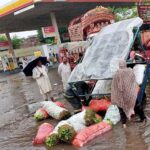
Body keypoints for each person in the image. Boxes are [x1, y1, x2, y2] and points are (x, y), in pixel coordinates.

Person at [111, 60, 146, 128]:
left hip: (121, 95)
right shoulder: (130, 71)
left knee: (121, 109)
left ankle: (124, 125)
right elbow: (133, 82)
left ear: (119, 66)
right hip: (130, 94)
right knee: (137, 106)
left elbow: (114, 86)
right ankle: (143, 118)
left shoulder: (116, 74)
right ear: (125, 65)